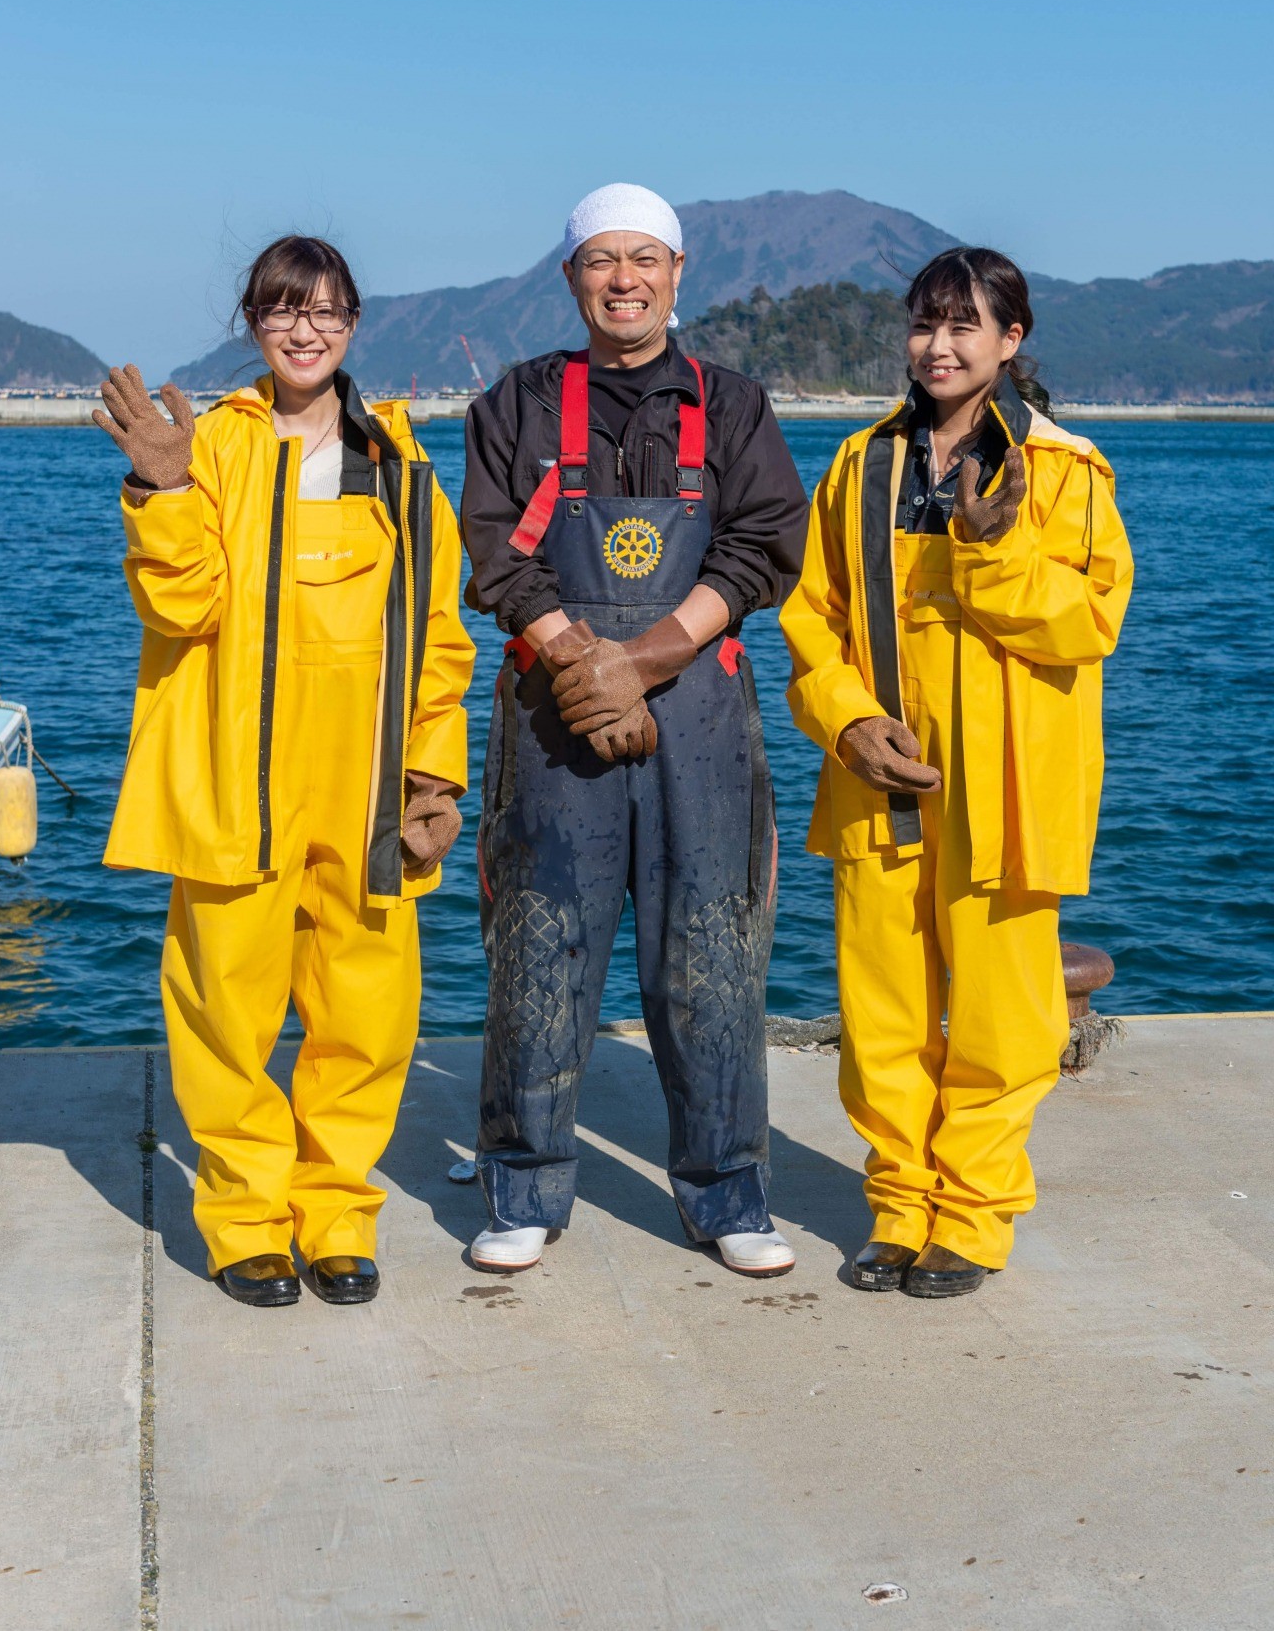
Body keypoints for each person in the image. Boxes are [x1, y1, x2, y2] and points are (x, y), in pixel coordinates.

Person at [95, 235, 475, 1308]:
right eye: (280, 309)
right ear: (253, 322)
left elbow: (440, 639)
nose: (303, 329)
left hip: (363, 792)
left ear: (354, 324)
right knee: (224, 1015)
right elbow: (180, 608)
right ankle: (248, 1221)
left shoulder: (400, 466)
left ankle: (338, 1215)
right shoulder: (210, 443)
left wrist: (433, 776)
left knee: (367, 1015)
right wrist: (158, 486)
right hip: (235, 784)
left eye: (324, 310)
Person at [461, 183, 809, 1276]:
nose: (622, 279)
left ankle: (726, 1193)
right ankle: (523, 1185)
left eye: (642, 259)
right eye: (600, 260)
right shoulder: (515, 401)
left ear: (676, 270)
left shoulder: (734, 405)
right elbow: (491, 551)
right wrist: (578, 662)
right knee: (536, 945)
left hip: (698, 708)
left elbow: (760, 546)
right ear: (570, 279)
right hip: (553, 712)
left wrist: (645, 659)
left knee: (710, 953)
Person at [781, 247, 1133, 1298]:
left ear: (1010, 340)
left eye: (964, 326)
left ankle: (971, 1217)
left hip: (1007, 786)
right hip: (880, 780)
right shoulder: (859, 465)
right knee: (879, 1010)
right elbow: (812, 617)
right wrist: (844, 724)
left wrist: (990, 550)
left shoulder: (1064, 471)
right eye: (923, 324)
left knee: (997, 1014)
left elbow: (1085, 623)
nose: (938, 346)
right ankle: (897, 1204)